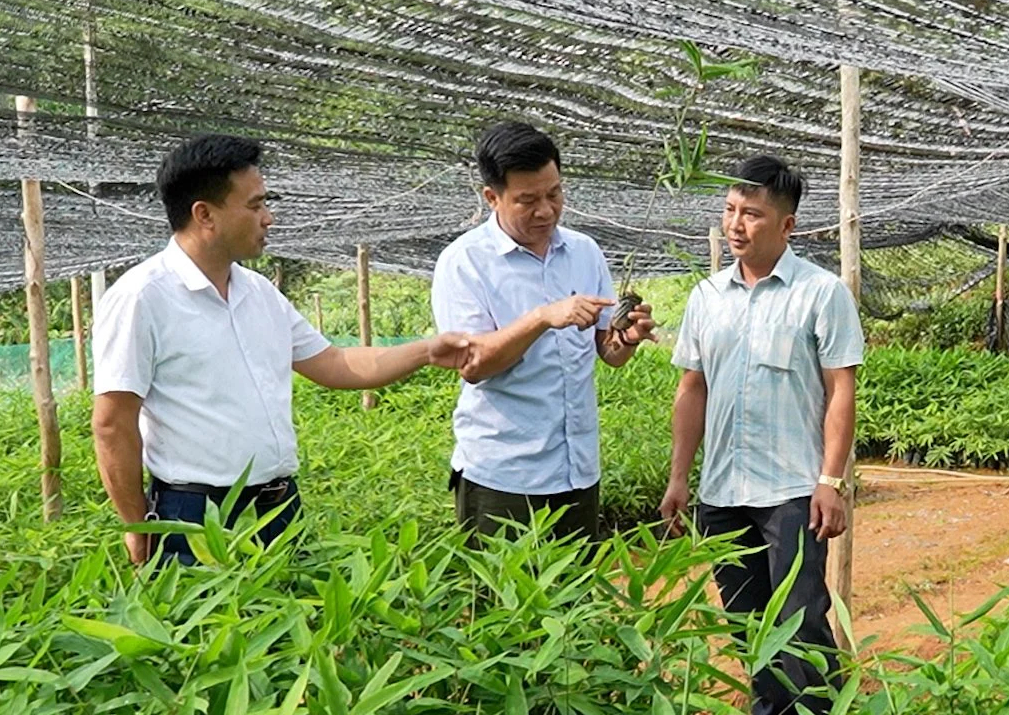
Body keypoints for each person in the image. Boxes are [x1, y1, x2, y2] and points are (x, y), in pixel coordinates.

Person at [92, 134, 475, 566]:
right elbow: (112, 423)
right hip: (197, 517)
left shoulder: (258, 292)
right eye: (255, 206)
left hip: (277, 506)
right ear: (205, 215)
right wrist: (138, 525)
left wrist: (426, 350)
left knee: (286, 629)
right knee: (204, 630)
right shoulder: (143, 297)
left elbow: (334, 363)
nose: (268, 218)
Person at [660, 155, 865, 715]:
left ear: (787, 225)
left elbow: (841, 391)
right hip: (722, 494)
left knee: (801, 622)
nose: (736, 224)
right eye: (729, 210)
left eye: (752, 213)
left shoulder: (820, 294)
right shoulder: (706, 298)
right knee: (749, 629)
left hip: (792, 491)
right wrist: (678, 478)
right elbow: (691, 389)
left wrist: (830, 479)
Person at [431, 121, 656, 542]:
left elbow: (608, 351)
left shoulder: (583, 252)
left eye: (554, 194)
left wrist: (627, 339)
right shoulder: (464, 263)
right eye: (527, 200)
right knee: (505, 604)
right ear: (492, 197)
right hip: (504, 476)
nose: (546, 211)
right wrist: (541, 318)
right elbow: (474, 366)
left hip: (577, 469)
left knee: (577, 602)